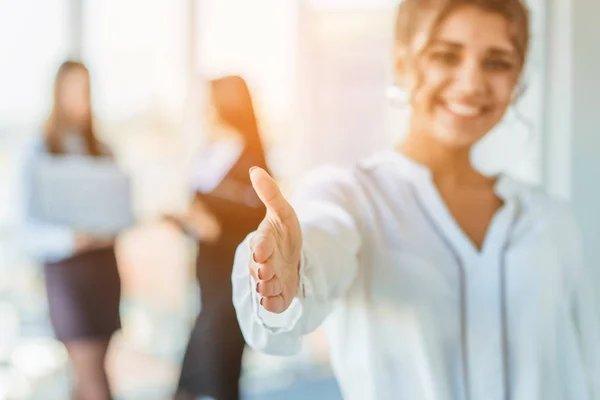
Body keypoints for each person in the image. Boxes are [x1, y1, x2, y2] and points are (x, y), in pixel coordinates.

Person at [232, 1, 600, 399]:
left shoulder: (549, 220)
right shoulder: (350, 197)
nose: (472, 83)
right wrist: (289, 271)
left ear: (518, 80)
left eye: (498, 62)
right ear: (402, 63)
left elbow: (583, 365)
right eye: (446, 55)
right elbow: (319, 248)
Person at [20, 60, 120, 400]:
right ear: (57, 93)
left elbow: (120, 211)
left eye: (85, 90)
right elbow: (27, 228)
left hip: (104, 268)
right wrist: (70, 238)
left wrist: (109, 228)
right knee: (91, 372)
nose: (79, 99)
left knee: (86, 375)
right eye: (71, 90)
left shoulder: (103, 151)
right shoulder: (38, 151)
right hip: (67, 275)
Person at [170, 76, 269, 400]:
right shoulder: (208, 153)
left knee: (222, 373)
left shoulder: (252, 160)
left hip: (233, 280)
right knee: (192, 377)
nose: (205, 111)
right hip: (207, 280)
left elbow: (256, 221)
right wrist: (185, 222)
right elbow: (200, 213)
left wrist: (217, 228)